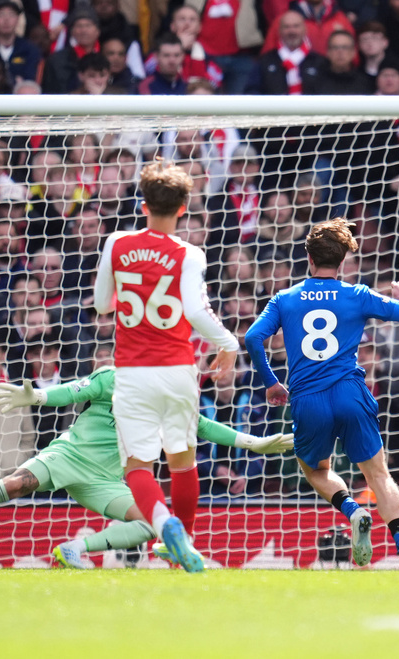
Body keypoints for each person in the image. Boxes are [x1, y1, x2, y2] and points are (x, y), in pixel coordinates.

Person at [0, 357, 292, 568]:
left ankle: (75, 549)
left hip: (106, 479)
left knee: (153, 523)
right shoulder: (114, 378)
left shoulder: (170, 403)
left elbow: (207, 427)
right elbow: (73, 389)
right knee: (15, 484)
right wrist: (39, 398)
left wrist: (256, 443)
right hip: (70, 455)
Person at [244, 217, 399, 570]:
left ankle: (352, 510)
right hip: (350, 392)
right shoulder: (356, 295)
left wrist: (270, 381)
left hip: (308, 398)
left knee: (315, 471)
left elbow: (253, 337)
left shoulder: (285, 298)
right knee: (378, 474)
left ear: (308, 259)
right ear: (343, 262)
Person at [92, 160, 239, 573]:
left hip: (134, 371)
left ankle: (164, 526)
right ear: (183, 208)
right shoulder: (189, 253)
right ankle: (182, 546)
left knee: (139, 466)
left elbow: (103, 304)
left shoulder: (117, 243)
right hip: (178, 370)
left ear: (143, 206)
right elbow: (195, 309)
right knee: (182, 459)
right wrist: (227, 342)